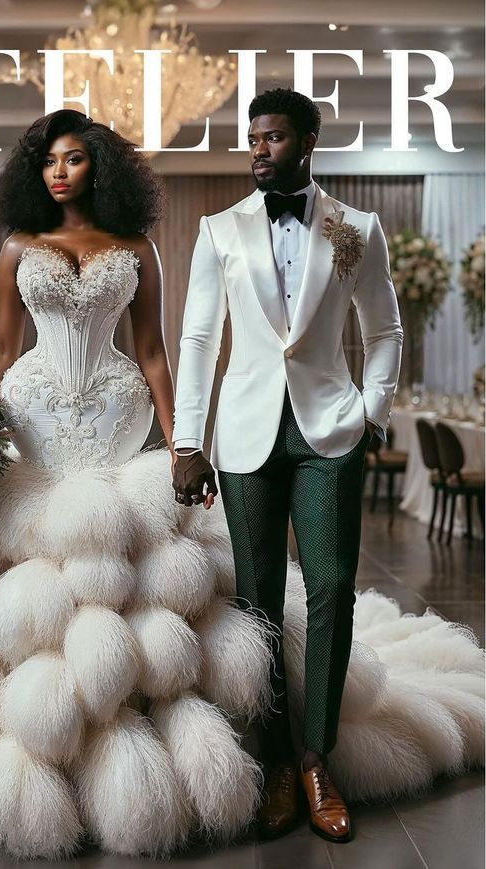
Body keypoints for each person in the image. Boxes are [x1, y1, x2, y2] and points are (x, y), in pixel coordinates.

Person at [0, 109, 482, 861]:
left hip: (119, 414)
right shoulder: (17, 248)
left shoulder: (139, 248)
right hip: (31, 416)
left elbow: (162, 353)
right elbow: (1, 348)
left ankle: (286, 753)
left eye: (73, 158)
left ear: (99, 165)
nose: (59, 171)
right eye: (47, 160)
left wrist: (180, 443)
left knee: (227, 580)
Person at [171, 87, 443, 842]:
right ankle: (278, 764)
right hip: (247, 433)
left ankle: (317, 758)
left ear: (309, 141)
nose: (259, 149)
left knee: (330, 588)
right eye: (253, 138)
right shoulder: (218, 230)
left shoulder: (354, 227)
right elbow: (197, 341)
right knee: (257, 605)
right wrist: (187, 440)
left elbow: (385, 329)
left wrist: (372, 412)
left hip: (330, 429)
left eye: (274, 138)